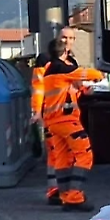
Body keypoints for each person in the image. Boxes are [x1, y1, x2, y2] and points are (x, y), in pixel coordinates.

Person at [30, 34, 105, 212]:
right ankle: (74, 196)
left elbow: (66, 88)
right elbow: (88, 73)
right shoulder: (63, 68)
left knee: (62, 159)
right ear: (64, 51)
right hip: (66, 121)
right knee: (85, 155)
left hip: (53, 123)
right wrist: (99, 75)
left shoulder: (49, 71)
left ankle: (64, 196)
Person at [31, 28, 81, 205]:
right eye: (64, 37)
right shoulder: (44, 60)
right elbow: (38, 87)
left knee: (68, 154)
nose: (67, 41)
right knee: (55, 152)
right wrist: (37, 111)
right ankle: (56, 191)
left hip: (70, 116)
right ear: (57, 39)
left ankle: (63, 191)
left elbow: (77, 88)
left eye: (70, 38)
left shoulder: (72, 62)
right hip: (51, 116)